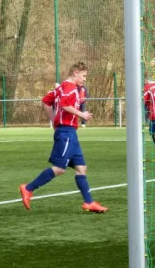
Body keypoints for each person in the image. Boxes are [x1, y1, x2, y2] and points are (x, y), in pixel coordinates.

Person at [19, 62, 108, 213]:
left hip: (70, 132)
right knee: (60, 168)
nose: (85, 79)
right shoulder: (69, 87)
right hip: (66, 132)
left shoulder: (60, 88)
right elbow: (66, 105)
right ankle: (28, 188)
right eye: (83, 76)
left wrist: (54, 120)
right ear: (75, 73)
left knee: (81, 168)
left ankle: (89, 202)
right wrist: (82, 115)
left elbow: (46, 102)